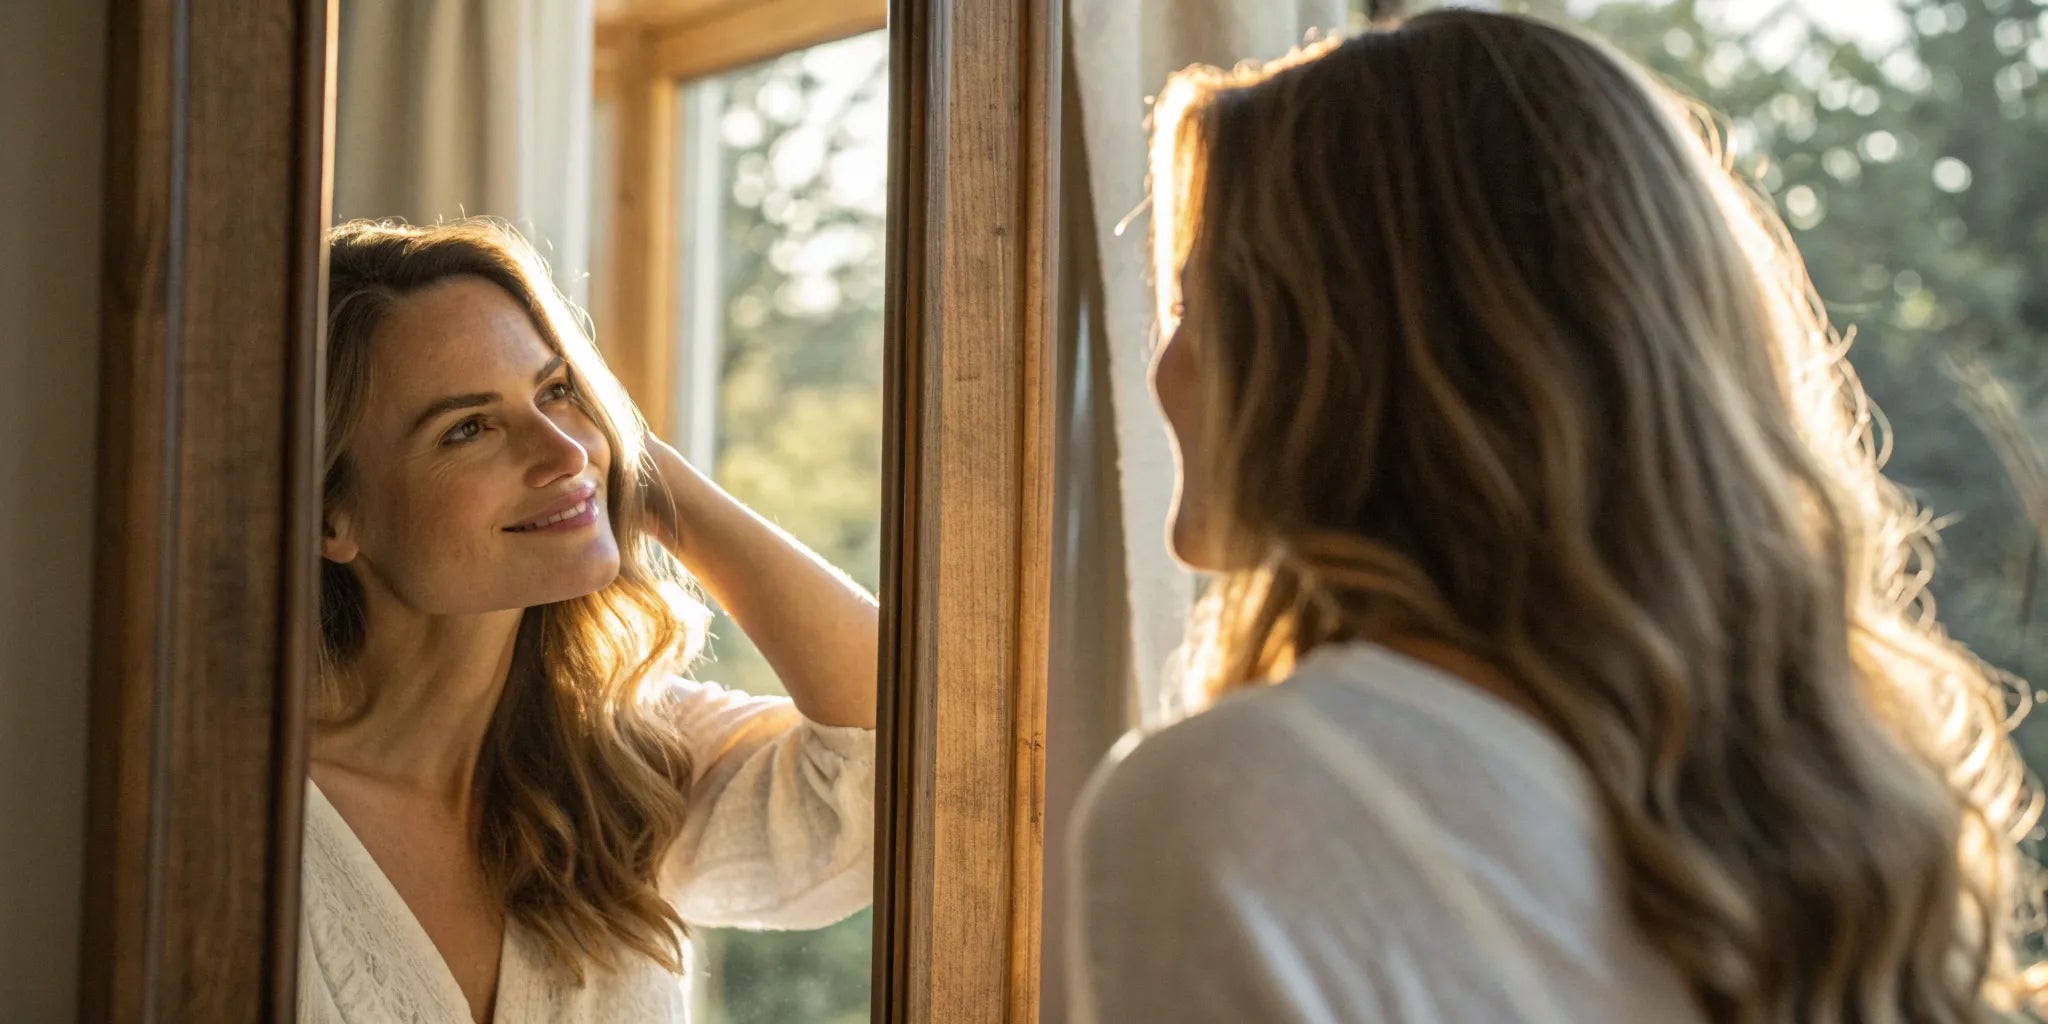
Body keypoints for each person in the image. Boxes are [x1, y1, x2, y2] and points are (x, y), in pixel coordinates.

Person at [1066, 9, 2044, 1022]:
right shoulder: (1793, 819)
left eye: (1192, 305)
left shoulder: (1237, 806)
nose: (1162, 368)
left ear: (1346, 356)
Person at [299, 218, 879, 1023]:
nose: (564, 451)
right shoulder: (239, 814)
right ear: (333, 516)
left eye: (556, 390)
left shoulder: (618, 767)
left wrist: (635, 463)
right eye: (468, 427)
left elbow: (900, 766)